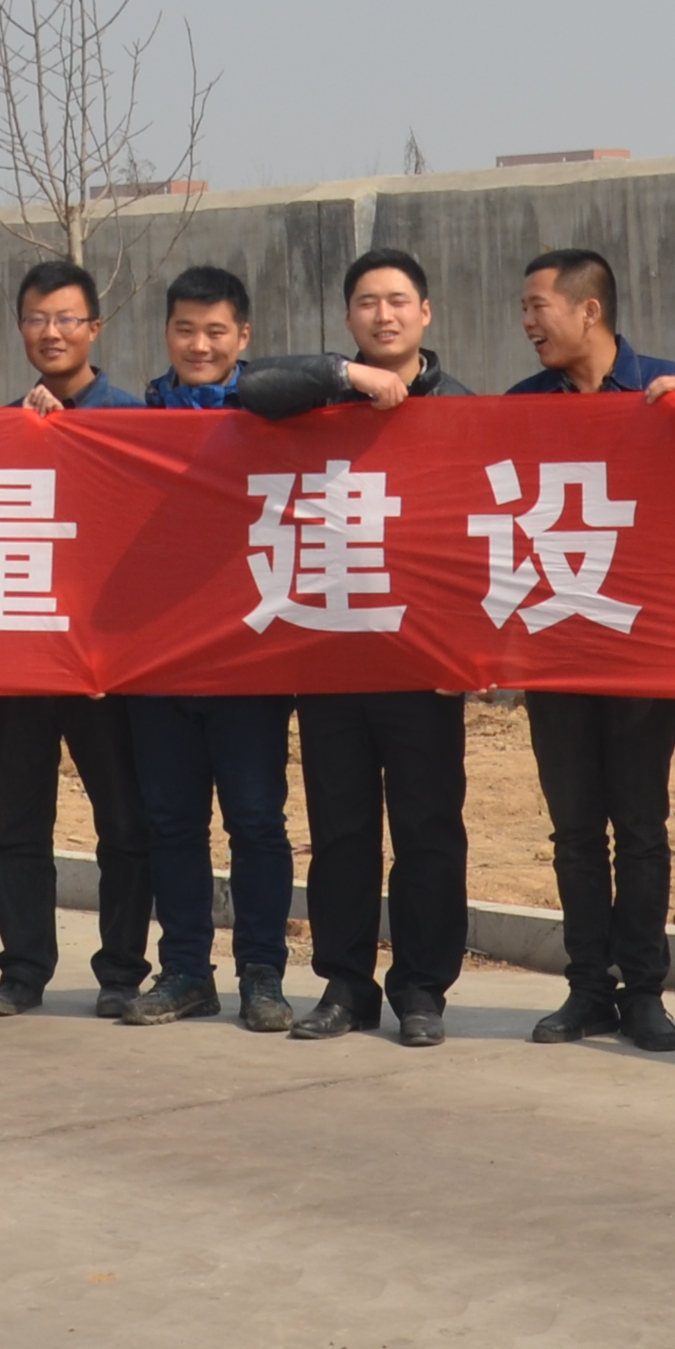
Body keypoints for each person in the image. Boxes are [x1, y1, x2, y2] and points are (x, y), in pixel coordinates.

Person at [236, 248, 478, 1049]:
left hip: (422, 663)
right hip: (333, 653)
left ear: (426, 313)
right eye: (368, 302)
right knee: (341, 832)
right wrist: (348, 377)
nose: (384, 315)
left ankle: (422, 989)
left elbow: (480, 541)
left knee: (428, 829)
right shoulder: (318, 398)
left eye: (399, 300)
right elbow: (252, 387)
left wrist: (470, 653)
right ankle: (346, 985)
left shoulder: (461, 408)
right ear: (348, 318)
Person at [506, 248, 675, 1053]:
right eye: (524, 310)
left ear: (587, 309)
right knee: (573, 830)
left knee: (640, 825)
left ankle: (646, 991)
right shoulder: (521, 407)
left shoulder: (666, 389)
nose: (528, 323)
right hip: (557, 645)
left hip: (641, 648)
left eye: (538, 307)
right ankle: (588, 988)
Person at [126, 266, 299, 1031]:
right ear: (167, 334)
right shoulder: (135, 424)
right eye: (186, 330)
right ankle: (186, 972)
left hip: (249, 663)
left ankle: (263, 972)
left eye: (216, 331)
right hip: (159, 666)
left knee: (256, 823)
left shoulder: (278, 414)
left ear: (244, 336)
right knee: (172, 824)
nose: (200, 345)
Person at [0, 259, 152, 1018]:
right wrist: (22, 436)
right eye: (36, 319)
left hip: (106, 666)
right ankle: (23, 971)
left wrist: (72, 436)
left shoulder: (137, 423)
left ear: (94, 328)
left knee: (125, 823)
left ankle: (121, 970)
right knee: (17, 825)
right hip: (21, 661)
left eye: (66, 319)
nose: (51, 332)